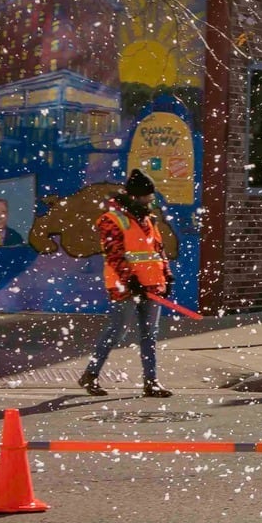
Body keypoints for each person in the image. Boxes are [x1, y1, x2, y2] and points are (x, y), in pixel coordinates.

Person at [79, 170, 172, 397]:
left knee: (150, 335)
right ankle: (90, 374)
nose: (150, 200)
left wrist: (166, 275)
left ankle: (151, 382)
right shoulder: (111, 220)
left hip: (151, 285)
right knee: (117, 331)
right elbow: (115, 255)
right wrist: (131, 281)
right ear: (134, 196)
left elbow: (157, 250)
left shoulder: (149, 219)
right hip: (125, 287)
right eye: (147, 197)